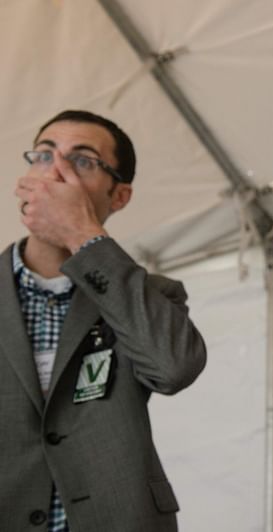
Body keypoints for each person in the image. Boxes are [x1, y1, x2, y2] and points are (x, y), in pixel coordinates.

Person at [2, 110, 207, 531]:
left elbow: (172, 368)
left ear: (119, 196)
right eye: (43, 155)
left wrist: (81, 233)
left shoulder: (149, 295)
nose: (56, 172)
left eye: (83, 161)